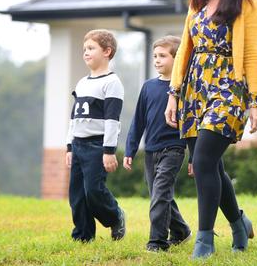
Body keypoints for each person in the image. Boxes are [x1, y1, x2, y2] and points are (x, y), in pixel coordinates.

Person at [164, 0, 257, 259]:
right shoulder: (198, 1)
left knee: (203, 161)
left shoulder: (248, 4)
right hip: (195, 88)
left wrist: (256, 101)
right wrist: (173, 95)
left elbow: (251, 54)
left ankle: (204, 240)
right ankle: (238, 222)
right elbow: (184, 50)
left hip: (229, 87)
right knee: (212, 166)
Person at [123, 35, 192, 252]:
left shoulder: (184, 89)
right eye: (155, 56)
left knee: (161, 193)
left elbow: (192, 125)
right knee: (160, 196)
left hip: (174, 148)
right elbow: (138, 121)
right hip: (151, 151)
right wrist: (130, 149)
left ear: (177, 58)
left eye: (162, 56)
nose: (157, 60)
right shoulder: (148, 87)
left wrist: (195, 156)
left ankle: (157, 242)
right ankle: (181, 231)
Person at [65, 29, 126, 242]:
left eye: (91, 48)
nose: (86, 53)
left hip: (97, 146)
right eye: (84, 49)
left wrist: (109, 151)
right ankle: (83, 236)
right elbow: (74, 118)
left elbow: (112, 121)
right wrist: (70, 146)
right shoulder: (82, 83)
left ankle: (115, 216)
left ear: (107, 51)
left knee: (93, 191)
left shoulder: (112, 83)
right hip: (79, 145)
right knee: (77, 196)